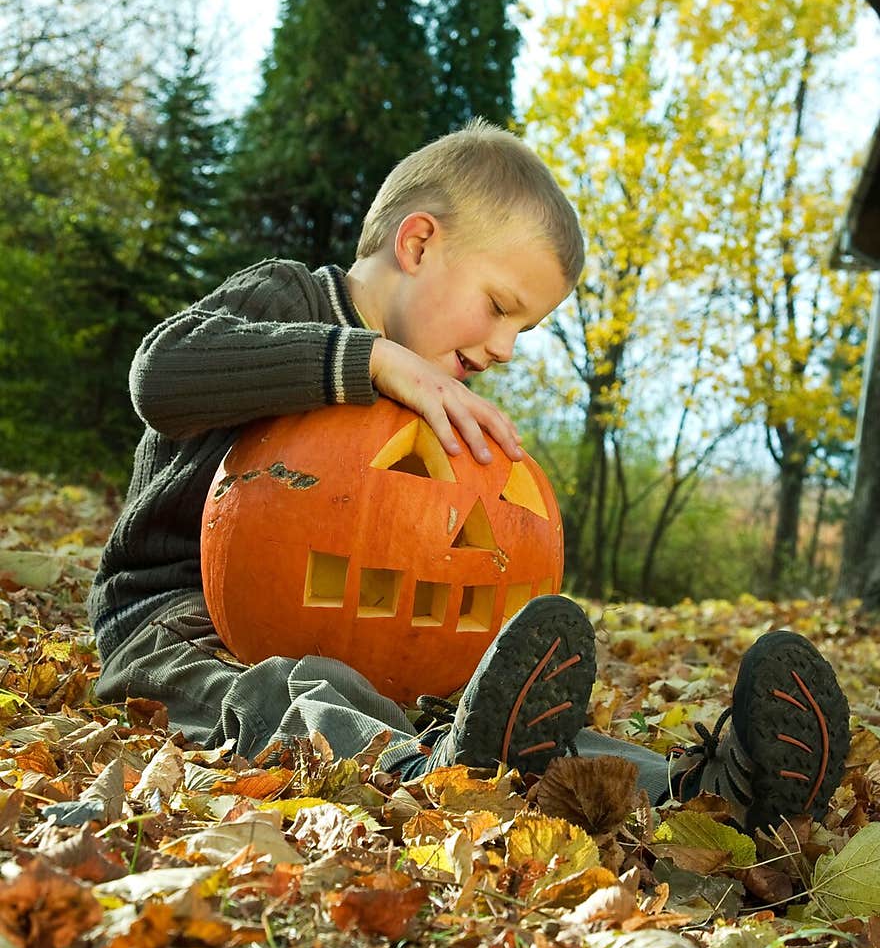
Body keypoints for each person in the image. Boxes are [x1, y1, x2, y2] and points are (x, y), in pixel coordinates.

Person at [86, 119, 850, 837]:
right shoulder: (288, 299)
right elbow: (162, 373)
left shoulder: (440, 405)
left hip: (373, 656)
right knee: (294, 687)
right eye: (499, 307)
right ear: (417, 243)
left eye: (525, 328)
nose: (507, 347)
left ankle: (705, 793)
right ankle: (419, 770)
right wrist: (372, 360)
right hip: (178, 624)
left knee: (483, 708)